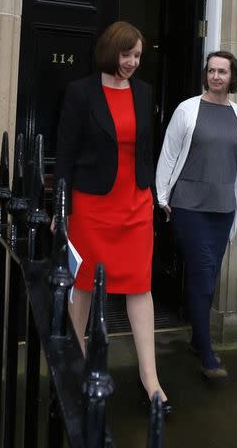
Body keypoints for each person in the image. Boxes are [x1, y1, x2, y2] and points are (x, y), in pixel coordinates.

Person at [54, 21, 171, 412]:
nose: (133, 62)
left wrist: (151, 194)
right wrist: (62, 208)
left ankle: (150, 378)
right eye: (127, 54)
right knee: (83, 286)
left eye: (138, 56)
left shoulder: (143, 92)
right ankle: (79, 369)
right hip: (92, 206)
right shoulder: (80, 92)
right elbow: (65, 155)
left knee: (140, 286)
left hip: (135, 204)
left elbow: (145, 151)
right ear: (110, 50)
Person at [156, 51, 237, 378]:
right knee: (203, 272)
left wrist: (236, 204)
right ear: (205, 74)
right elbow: (169, 152)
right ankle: (207, 353)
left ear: (232, 76)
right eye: (211, 70)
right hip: (190, 206)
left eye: (222, 71)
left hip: (223, 207)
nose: (216, 76)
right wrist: (162, 194)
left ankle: (197, 338)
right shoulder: (188, 109)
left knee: (209, 275)